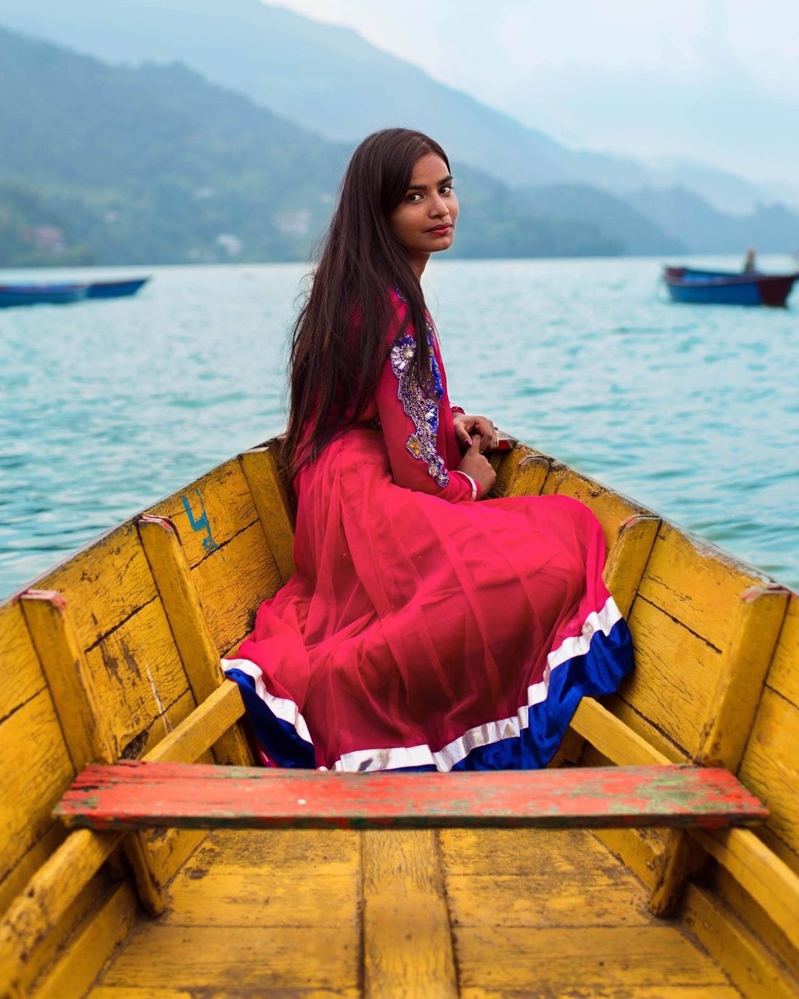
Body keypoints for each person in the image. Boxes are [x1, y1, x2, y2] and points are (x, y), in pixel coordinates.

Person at [225, 129, 633, 771]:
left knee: (518, 556)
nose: (440, 208)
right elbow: (419, 474)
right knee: (565, 537)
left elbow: (383, 406)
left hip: (330, 493)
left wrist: (449, 420)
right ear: (380, 213)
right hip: (365, 499)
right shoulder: (392, 306)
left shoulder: (352, 290)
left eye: (445, 189)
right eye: (415, 197)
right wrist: (470, 482)